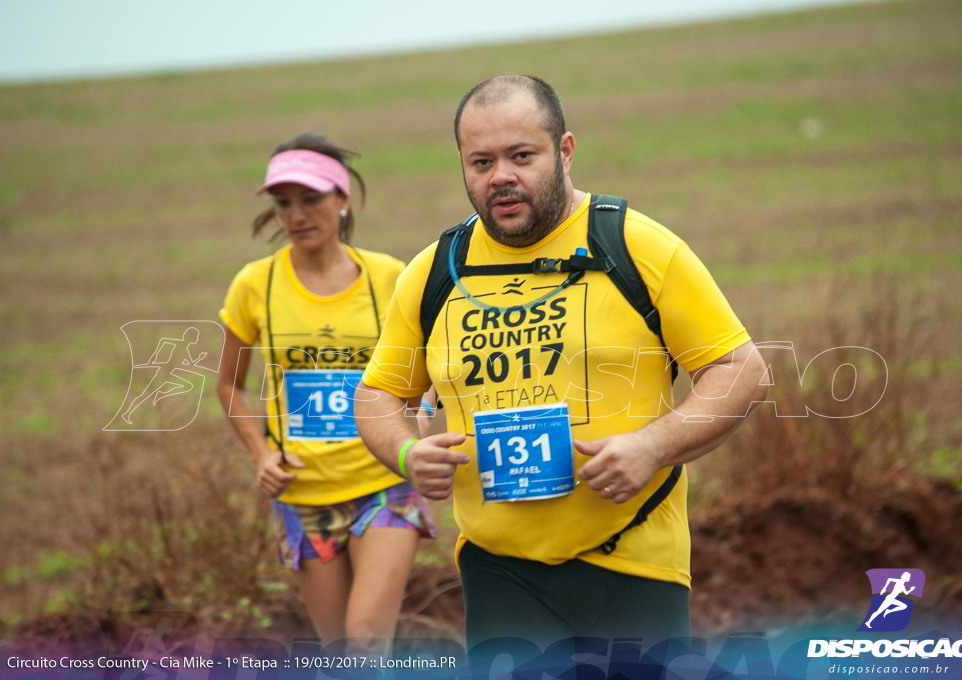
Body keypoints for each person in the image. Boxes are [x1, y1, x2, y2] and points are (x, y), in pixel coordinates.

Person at [355, 75, 768, 649]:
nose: (501, 175)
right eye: (481, 162)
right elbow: (376, 395)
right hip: (498, 573)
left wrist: (652, 447)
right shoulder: (432, 272)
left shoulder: (635, 246)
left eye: (521, 155)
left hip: (633, 556)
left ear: (565, 150)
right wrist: (405, 452)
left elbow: (741, 371)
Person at [216, 133, 436, 654]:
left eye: (310, 199)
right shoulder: (255, 286)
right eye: (283, 202)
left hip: (383, 484)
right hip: (303, 495)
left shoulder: (390, 277)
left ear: (342, 199)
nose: (296, 214)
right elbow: (229, 385)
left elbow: (424, 374)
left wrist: (417, 426)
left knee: (365, 639)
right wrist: (262, 455)